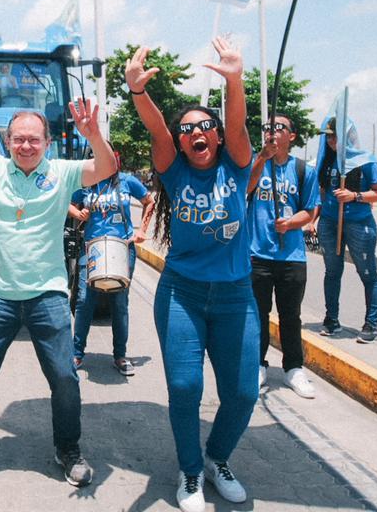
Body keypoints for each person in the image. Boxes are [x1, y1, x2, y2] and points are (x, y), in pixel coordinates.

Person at [0, 86, 116, 487]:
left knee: (65, 379)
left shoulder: (63, 172)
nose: (26, 145)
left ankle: (67, 449)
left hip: (49, 295)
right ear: (7, 142)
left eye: (35, 138)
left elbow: (105, 168)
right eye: (18, 138)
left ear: (48, 144)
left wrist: (93, 136)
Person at [124, 38, 257, 512]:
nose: (196, 132)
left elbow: (238, 123)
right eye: (188, 130)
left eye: (206, 126)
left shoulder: (238, 166)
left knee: (242, 393)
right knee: (184, 387)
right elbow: (158, 130)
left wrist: (235, 78)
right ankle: (191, 471)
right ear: (181, 143)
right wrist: (138, 93)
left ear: (217, 135)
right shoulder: (173, 169)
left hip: (235, 297)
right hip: (181, 293)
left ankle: (217, 458)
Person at [246, 114, 318, 399]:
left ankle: (293, 368)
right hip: (257, 254)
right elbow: (246, 189)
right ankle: (258, 365)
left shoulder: (302, 170)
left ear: (292, 136)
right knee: (257, 315)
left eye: (279, 128)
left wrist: (290, 224)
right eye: (268, 127)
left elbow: (310, 210)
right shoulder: (257, 163)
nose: (272, 132)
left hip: (291, 256)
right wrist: (261, 159)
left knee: (291, 315)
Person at [68, 149, 155, 376]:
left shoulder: (126, 181)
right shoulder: (86, 184)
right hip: (93, 249)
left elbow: (149, 201)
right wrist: (78, 215)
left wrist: (142, 231)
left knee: (119, 302)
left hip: (123, 249)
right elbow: (67, 203)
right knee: (85, 300)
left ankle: (120, 355)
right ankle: (76, 354)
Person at [308, 114, 377, 344]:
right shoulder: (326, 162)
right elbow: (321, 195)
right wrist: (313, 220)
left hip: (360, 224)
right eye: (328, 138)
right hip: (330, 223)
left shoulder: (366, 161)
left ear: (348, 136)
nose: (332, 142)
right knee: (332, 272)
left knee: (368, 273)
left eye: (335, 137)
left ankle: (371, 323)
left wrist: (355, 196)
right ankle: (331, 319)